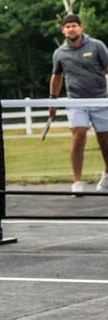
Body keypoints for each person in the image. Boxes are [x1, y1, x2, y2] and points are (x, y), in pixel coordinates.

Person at [48, 13, 108, 195]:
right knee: (78, 135)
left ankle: (107, 175)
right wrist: (53, 100)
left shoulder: (97, 46)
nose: (71, 29)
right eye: (67, 26)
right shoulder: (60, 53)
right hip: (75, 101)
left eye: (74, 25)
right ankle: (77, 182)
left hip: (100, 99)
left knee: (105, 141)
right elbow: (56, 76)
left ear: (81, 27)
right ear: (63, 30)